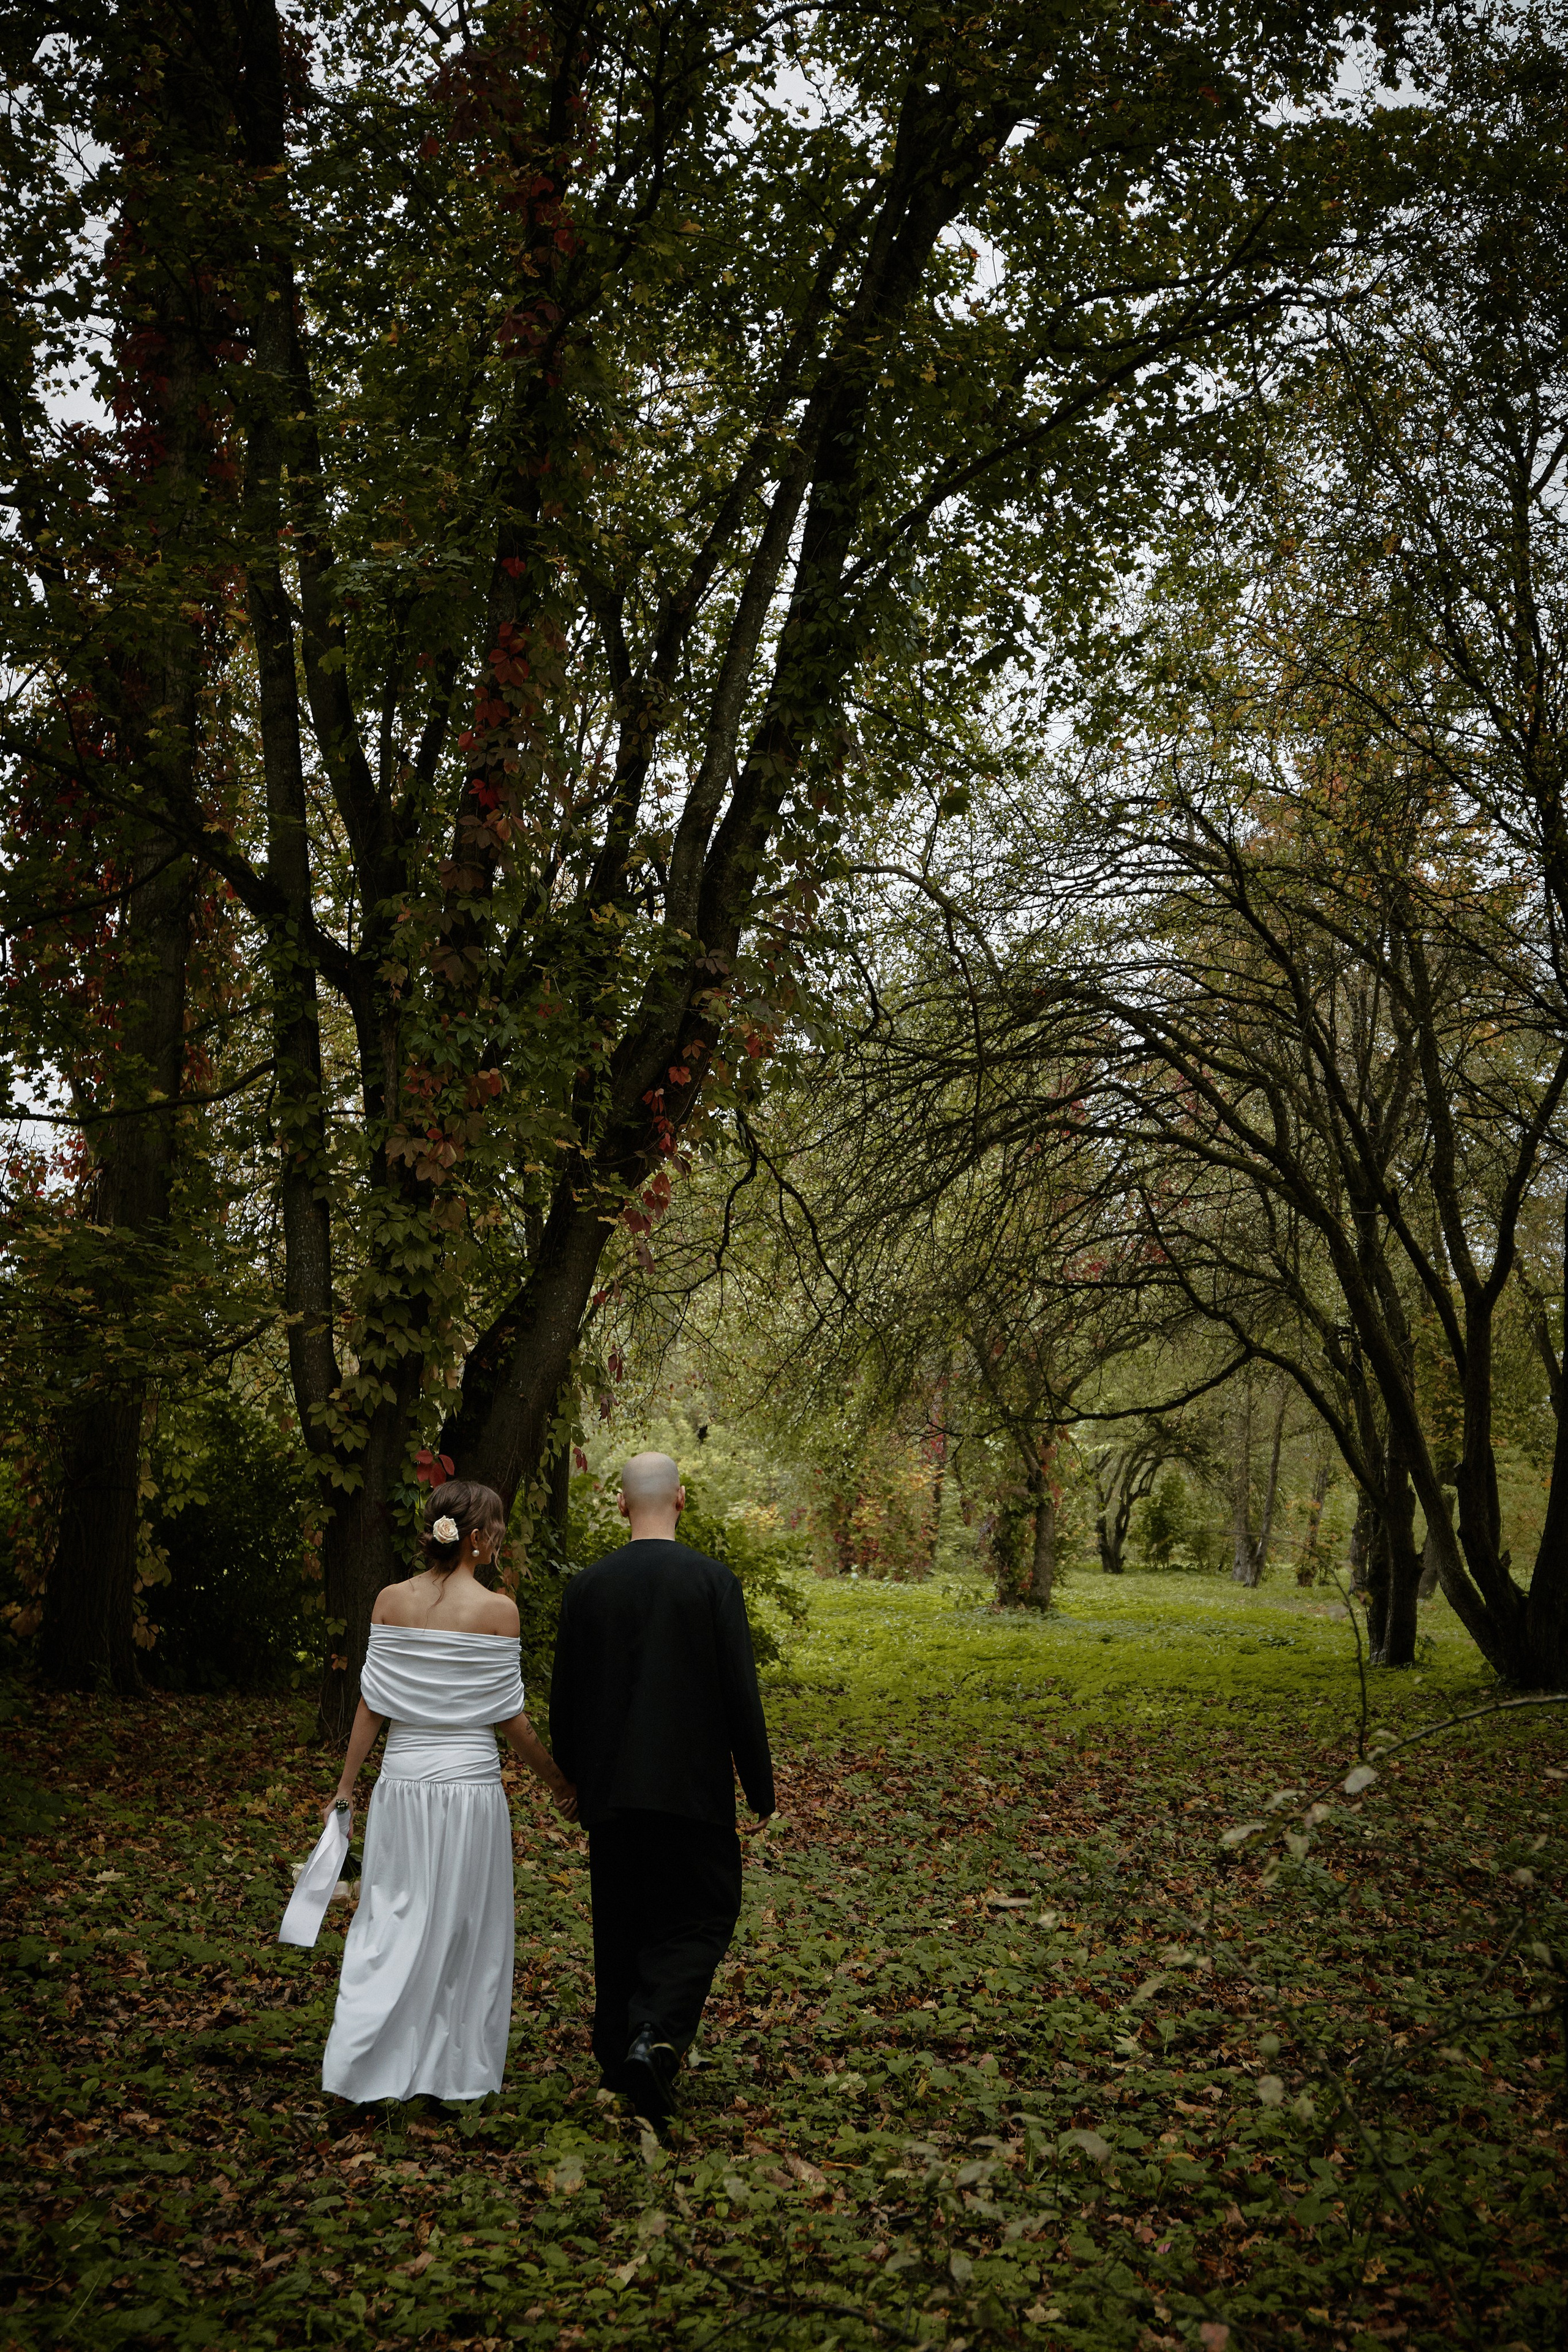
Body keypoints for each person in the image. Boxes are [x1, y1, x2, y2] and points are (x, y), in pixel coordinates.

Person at [319, 1479, 576, 2105]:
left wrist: (348, 1785)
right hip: (468, 1790)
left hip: (403, 1786)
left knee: (389, 1922)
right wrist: (560, 1784)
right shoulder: (498, 1611)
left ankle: (362, 2065)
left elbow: (371, 1704)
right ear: (480, 1539)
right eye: (500, 1530)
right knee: (464, 1929)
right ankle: (450, 2070)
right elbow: (509, 1720)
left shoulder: (388, 1600)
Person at [549, 1450, 774, 2121]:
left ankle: (621, 2052)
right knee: (704, 1913)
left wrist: (575, 1779)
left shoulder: (587, 1587)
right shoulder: (711, 1582)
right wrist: (758, 1786)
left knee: (621, 1919)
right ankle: (654, 2036)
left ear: (622, 1504)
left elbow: (566, 1699)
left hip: (613, 1790)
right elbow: (740, 1691)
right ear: (680, 1499)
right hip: (692, 1789)